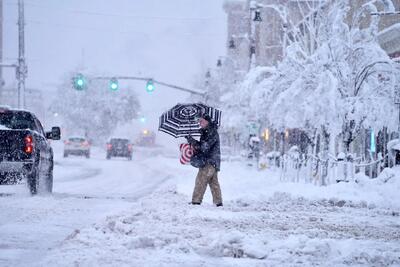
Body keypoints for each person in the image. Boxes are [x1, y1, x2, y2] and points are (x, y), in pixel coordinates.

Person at [185, 113, 223, 207]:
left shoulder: (211, 132)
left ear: (207, 121)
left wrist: (193, 142)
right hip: (213, 161)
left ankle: (196, 202)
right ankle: (218, 203)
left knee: (200, 180)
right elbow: (203, 146)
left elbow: (204, 147)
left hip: (209, 161)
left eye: (201, 121)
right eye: (199, 121)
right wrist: (191, 140)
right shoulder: (206, 132)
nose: (199, 123)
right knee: (213, 183)